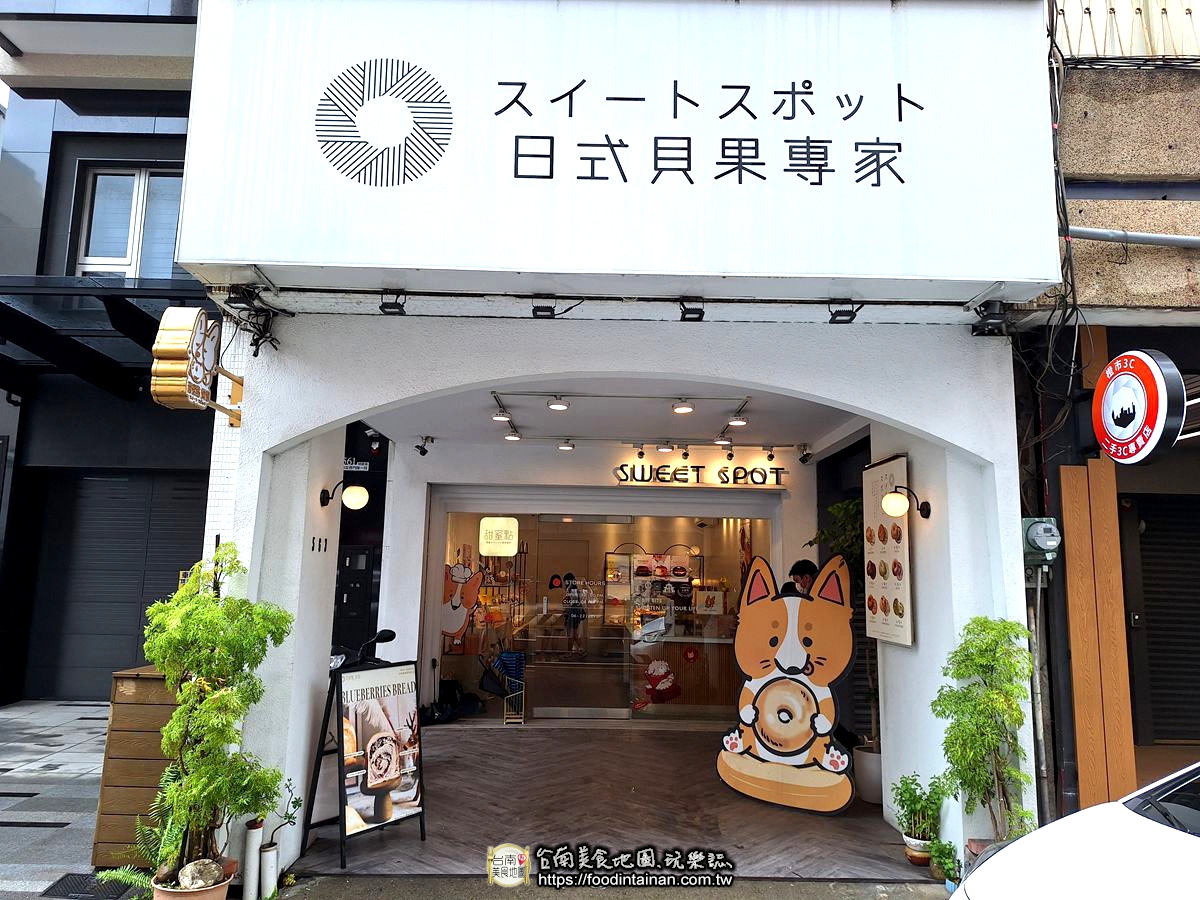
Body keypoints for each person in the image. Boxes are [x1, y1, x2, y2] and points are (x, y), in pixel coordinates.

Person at [562, 572, 586, 655]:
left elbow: (572, 602)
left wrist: (565, 600)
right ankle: (582, 651)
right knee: (574, 634)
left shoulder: (571, 589)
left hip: (573, 612)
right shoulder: (575, 588)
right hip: (576, 612)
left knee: (571, 634)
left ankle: (569, 652)